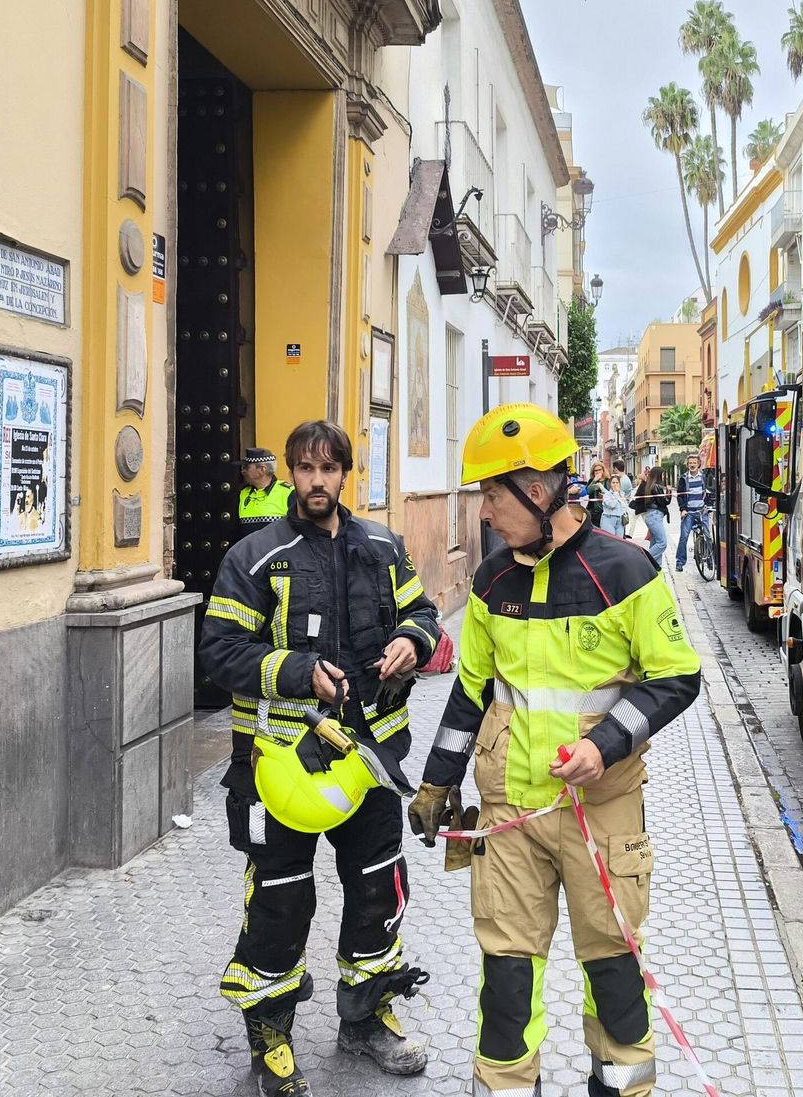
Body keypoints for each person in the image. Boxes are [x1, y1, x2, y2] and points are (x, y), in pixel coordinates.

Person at [407, 403, 702, 1097]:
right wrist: (435, 785)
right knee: (506, 980)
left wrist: (603, 745)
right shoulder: (490, 583)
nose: (483, 512)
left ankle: (622, 1088)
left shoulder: (625, 572)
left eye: (490, 493)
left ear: (536, 491)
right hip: (510, 815)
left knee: (614, 974)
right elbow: (469, 695)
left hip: (602, 815)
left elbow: (677, 676)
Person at [200, 421, 441, 1096]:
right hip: (282, 766)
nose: (315, 480)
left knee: (377, 887)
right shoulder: (254, 555)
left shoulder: (384, 547)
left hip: (369, 761)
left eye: (328, 468)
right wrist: (300, 672)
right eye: (303, 467)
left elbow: (423, 611)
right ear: (288, 473)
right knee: (279, 899)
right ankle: (269, 1034)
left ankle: (365, 1016)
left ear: (345, 475)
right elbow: (218, 651)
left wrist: (412, 642)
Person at [236, 447, 295, 539]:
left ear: (262, 469)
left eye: (247, 467)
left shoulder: (288, 493)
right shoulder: (242, 494)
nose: (243, 471)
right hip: (249, 553)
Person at [674, 452, 710, 570]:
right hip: (689, 512)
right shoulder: (684, 478)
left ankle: (710, 559)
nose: (692, 465)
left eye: (694, 463)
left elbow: (710, 492)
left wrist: (709, 506)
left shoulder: (704, 476)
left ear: (698, 464)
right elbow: (680, 495)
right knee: (683, 536)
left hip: (702, 511)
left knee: (708, 536)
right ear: (687, 465)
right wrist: (683, 509)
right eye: (690, 463)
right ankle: (680, 562)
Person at [630, 467, 672, 566]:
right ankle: (643, 561)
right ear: (658, 475)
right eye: (663, 474)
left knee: (655, 543)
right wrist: (669, 492)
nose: (664, 476)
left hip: (651, 516)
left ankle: (656, 568)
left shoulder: (649, 485)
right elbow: (664, 502)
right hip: (655, 516)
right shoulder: (656, 486)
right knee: (662, 543)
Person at [610, 459, 635, 538]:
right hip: (620, 509)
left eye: (613, 469)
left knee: (620, 535)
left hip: (621, 510)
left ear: (616, 469)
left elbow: (617, 494)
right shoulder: (623, 479)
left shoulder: (623, 481)